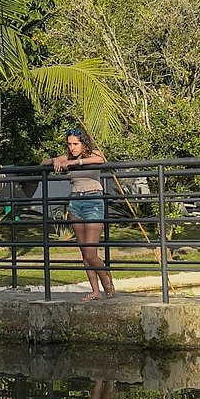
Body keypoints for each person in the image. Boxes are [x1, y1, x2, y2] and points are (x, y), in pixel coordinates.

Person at [45, 127, 115, 301]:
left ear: (83, 143)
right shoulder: (68, 156)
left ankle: (107, 280)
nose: (72, 148)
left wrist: (75, 163)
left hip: (93, 201)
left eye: (75, 144)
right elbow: (43, 162)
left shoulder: (93, 153)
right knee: (84, 252)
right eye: (69, 144)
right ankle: (95, 291)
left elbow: (101, 159)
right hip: (76, 202)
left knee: (91, 252)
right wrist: (56, 161)